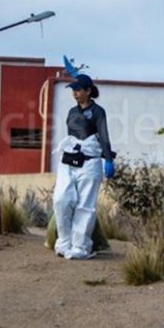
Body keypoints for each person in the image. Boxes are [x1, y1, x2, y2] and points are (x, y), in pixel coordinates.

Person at [52, 74, 116, 260]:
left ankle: (80, 246)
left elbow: (103, 135)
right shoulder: (72, 112)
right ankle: (64, 241)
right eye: (73, 90)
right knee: (61, 199)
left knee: (85, 206)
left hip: (90, 162)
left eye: (78, 90)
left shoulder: (98, 111)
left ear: (88, 91)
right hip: (70, 159)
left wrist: (108, 158)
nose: (75, 93)